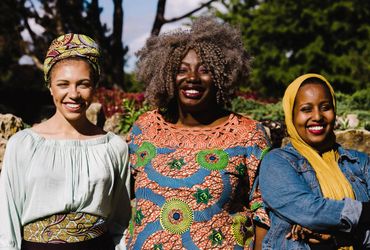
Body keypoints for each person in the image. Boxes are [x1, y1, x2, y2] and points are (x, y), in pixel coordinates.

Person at [125, 16, 271, 250]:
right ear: (167, 76)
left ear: (222, 77)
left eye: (205, 70)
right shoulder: (145, 129)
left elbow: (264, 209)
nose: (192, 78)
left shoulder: (247, 134)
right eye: (182, 70)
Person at [0, 33, 130, 249]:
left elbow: (120, 223)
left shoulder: (113, 147)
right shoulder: (23, 145)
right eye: (63, 84)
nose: (73, 94)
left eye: (83, 84)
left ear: (95, 86)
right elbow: (7, 222)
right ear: (50, 87)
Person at [259, 73, 370, 249]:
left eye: (325, 107)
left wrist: (336, 238)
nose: (317, 116)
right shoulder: (277, 162)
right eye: (306, 109)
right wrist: (364, 212)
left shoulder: (360, 162)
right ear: (291, 115)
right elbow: (308, 210)